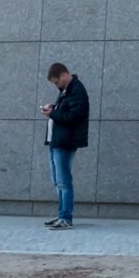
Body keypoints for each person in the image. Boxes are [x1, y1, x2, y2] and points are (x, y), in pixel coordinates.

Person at [40, 61, 90, 230]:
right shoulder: (66, 90)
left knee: (63, 181)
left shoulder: (77, 90)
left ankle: (66, 218)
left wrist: (53, 113)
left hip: (65, 142)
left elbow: (73, 116)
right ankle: (62, 215)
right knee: (58, 180)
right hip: (58, 141)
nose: (56, 86)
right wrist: (54, 108)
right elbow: (67, 111)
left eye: (56, 82)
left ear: (63, 75)